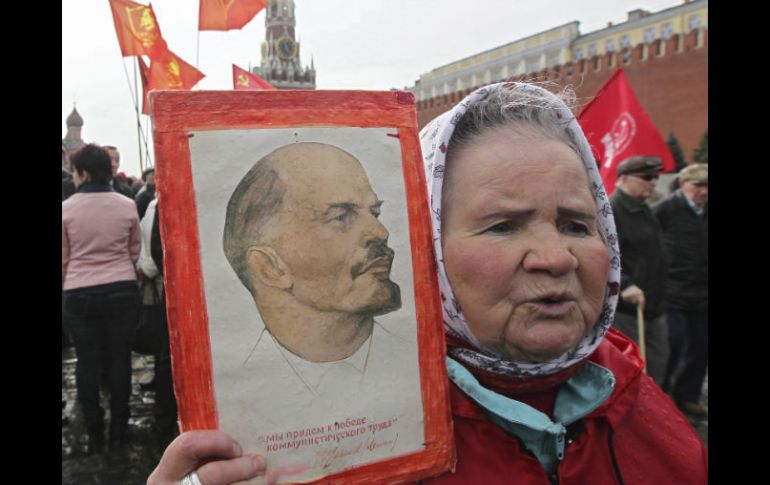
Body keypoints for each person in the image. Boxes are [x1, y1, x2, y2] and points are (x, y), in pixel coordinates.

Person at [149, 83, 707, 485]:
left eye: (576, 223)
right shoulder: (349, 442)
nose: (556, 257)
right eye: (503, 225)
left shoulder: (634, 394)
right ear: (428, 245)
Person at [222, 142, 401, 364]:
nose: (380, 232)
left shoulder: (416, 361)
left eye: (375, 213)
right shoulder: (235, 382)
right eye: (341, 217)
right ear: (269, 268)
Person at [62, 144, 141, 451]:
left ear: (82, 172)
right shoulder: (126, 205)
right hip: (122, 288)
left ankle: (94, 429)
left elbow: (64, 258)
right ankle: (120, 428)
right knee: (120, 359)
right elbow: (134, 251)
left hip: (79, 292)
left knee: (87, 362)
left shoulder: (66, 209)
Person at [653, 163, 708, 417]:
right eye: (699, 185)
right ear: (684, 184)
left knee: (701, 346)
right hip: (673, 290)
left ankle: (688, 395)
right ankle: (661, 397)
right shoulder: (665, 210)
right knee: (674, 343)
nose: (704, 191)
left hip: (703, 292)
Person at [608, 156, 669, 386]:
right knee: (632, 370)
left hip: (654, 306)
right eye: (646, 177)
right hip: (627, 308)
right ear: (624, 179)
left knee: (658, 364)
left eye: (655, 177)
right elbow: (606, 256)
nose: (653, 182)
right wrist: (624, 283)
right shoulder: (612, 210)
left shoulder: (644, 209)